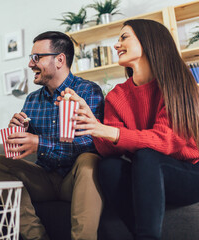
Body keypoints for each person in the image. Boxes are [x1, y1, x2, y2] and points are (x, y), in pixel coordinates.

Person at [57, 19, 199, 240]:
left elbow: (166, 140)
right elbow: (109, 150)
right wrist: (92, 123)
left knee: (147, 155)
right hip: (146, 175)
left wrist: (107, 131)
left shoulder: (177, 82)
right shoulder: (117, 95)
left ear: (149, 41)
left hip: (189, 174)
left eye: (124, 37)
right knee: (109, 166)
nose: (116, 45)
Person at [0, 31, 104, 240]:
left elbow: (91, 144)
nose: (31, 64)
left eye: (37, 58)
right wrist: (19, 133)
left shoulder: (88, 91)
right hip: (44, 178)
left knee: (90, 159)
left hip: (74, 179)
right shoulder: (32, 100)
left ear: (60, 60)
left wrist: (40, 144)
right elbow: (25, 147)